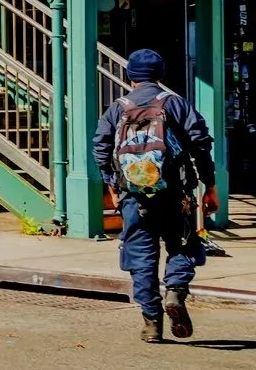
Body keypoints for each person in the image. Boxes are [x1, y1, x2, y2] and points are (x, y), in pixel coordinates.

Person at [91, 47, 216, 343]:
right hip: (176, 193)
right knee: (183, 245)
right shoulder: (175, 104)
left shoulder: (117, 108)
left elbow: (101, 148)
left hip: (134, 195)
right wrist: (209, 185)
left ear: (130, 76)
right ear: (160, 75)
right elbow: (200, 143)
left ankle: (151, 323)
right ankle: (175, 292)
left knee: (140, 254)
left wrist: (112, 184)